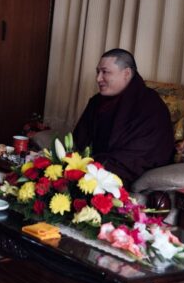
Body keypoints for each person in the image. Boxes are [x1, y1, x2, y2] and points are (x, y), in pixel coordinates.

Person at [73, 48, 174, 188]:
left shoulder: (149, 105)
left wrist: (97, 166)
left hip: (123, 167)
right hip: (96, 164)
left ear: (126, 73)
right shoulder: (97, 102)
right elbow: (78, 141)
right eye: (98, 72)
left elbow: (143, 153)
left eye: (105, 72)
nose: (98, 79)